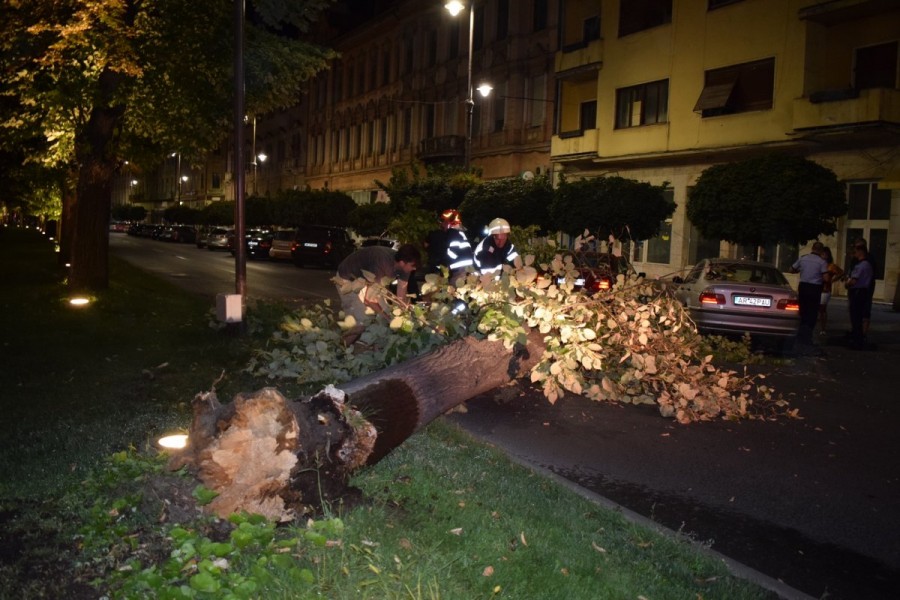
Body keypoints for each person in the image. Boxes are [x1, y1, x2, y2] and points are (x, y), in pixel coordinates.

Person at [333, 244, 420, 343]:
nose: (414, 269)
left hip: (367, 281)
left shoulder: (405, 268)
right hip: (347, 279)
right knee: (362, 322)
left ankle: (371, 348)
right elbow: (369, 299)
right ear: (402, 263)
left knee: (386, 313)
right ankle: (339, 349)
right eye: (412, 266)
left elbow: (401, 295)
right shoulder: (382, 264)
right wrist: (389, 320)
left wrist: (405, 314)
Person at [790, 241, 829, 345]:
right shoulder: (822, 262)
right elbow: (826, 277)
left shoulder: (803, 258)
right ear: (821, 250)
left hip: (803, 287)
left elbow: (791, 269)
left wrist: (800, 271)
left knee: (803, 309)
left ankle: (801, 332)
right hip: (815, 288)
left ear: (812, 248)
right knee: (812, 311)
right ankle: (808, 334)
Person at [424, 208, 474, 282]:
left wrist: (444, 263)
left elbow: (453, 253)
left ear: (449, 222)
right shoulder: (459, 232)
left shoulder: (453, 233)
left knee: (454, 287)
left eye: (443, 221)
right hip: (465, 268)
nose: (441, 224)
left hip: (460, 269)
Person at [845, 242, 874, 349]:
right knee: (859, 317)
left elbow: (853, 281)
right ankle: (859, 339)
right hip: (863, 292)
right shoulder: (868, 265)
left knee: (855, 317)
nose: (854, 254)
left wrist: (847, 284)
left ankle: (857, 341)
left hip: (857, 292)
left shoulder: (861, 265)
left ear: (860, 251)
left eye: (855, 251)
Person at [818, 246, 843, 336]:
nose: (823, 256)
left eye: (825, 254)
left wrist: (832, 280)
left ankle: (823, 328)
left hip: (825, 290)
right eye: (822, 254)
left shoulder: (831, 266)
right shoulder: (818, 264)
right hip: (816, 288)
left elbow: (841, 272)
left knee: (822, 309)